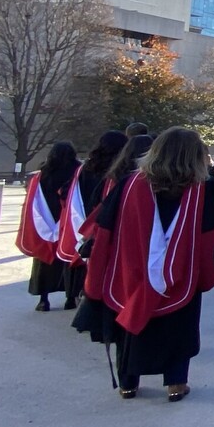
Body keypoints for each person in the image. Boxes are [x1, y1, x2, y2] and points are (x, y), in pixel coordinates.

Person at [93, 128, 214, 400]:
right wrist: (204, 273)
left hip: (133, 269)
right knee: (179, 325)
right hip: (182, 272)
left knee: (130, 321)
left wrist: (99, 269)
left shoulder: (129, 184)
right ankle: (176, 382)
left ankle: (128, 382)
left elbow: (105, 226)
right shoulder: (205, 187)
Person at [72, 133, 150, 347]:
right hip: (139, 243)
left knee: (113, 286)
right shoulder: (146, 181)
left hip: (111, 240)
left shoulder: (111, 175)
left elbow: (95, 206)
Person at [56, 130, 127, 311]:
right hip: (101, 214)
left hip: (80, 212)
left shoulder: (84, 168)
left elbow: (67, 190)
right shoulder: (120, 170)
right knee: (96, 257)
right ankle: (91, 294)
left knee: (78, 252)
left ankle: (70, 296)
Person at [16, 142, 77, 311]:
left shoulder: (43, 174)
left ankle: (44, 299)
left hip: (46, 219)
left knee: (44, 261)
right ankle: (71, 298)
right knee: (69, 260)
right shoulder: (77, 172)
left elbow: (32, 200)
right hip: (67, 220)